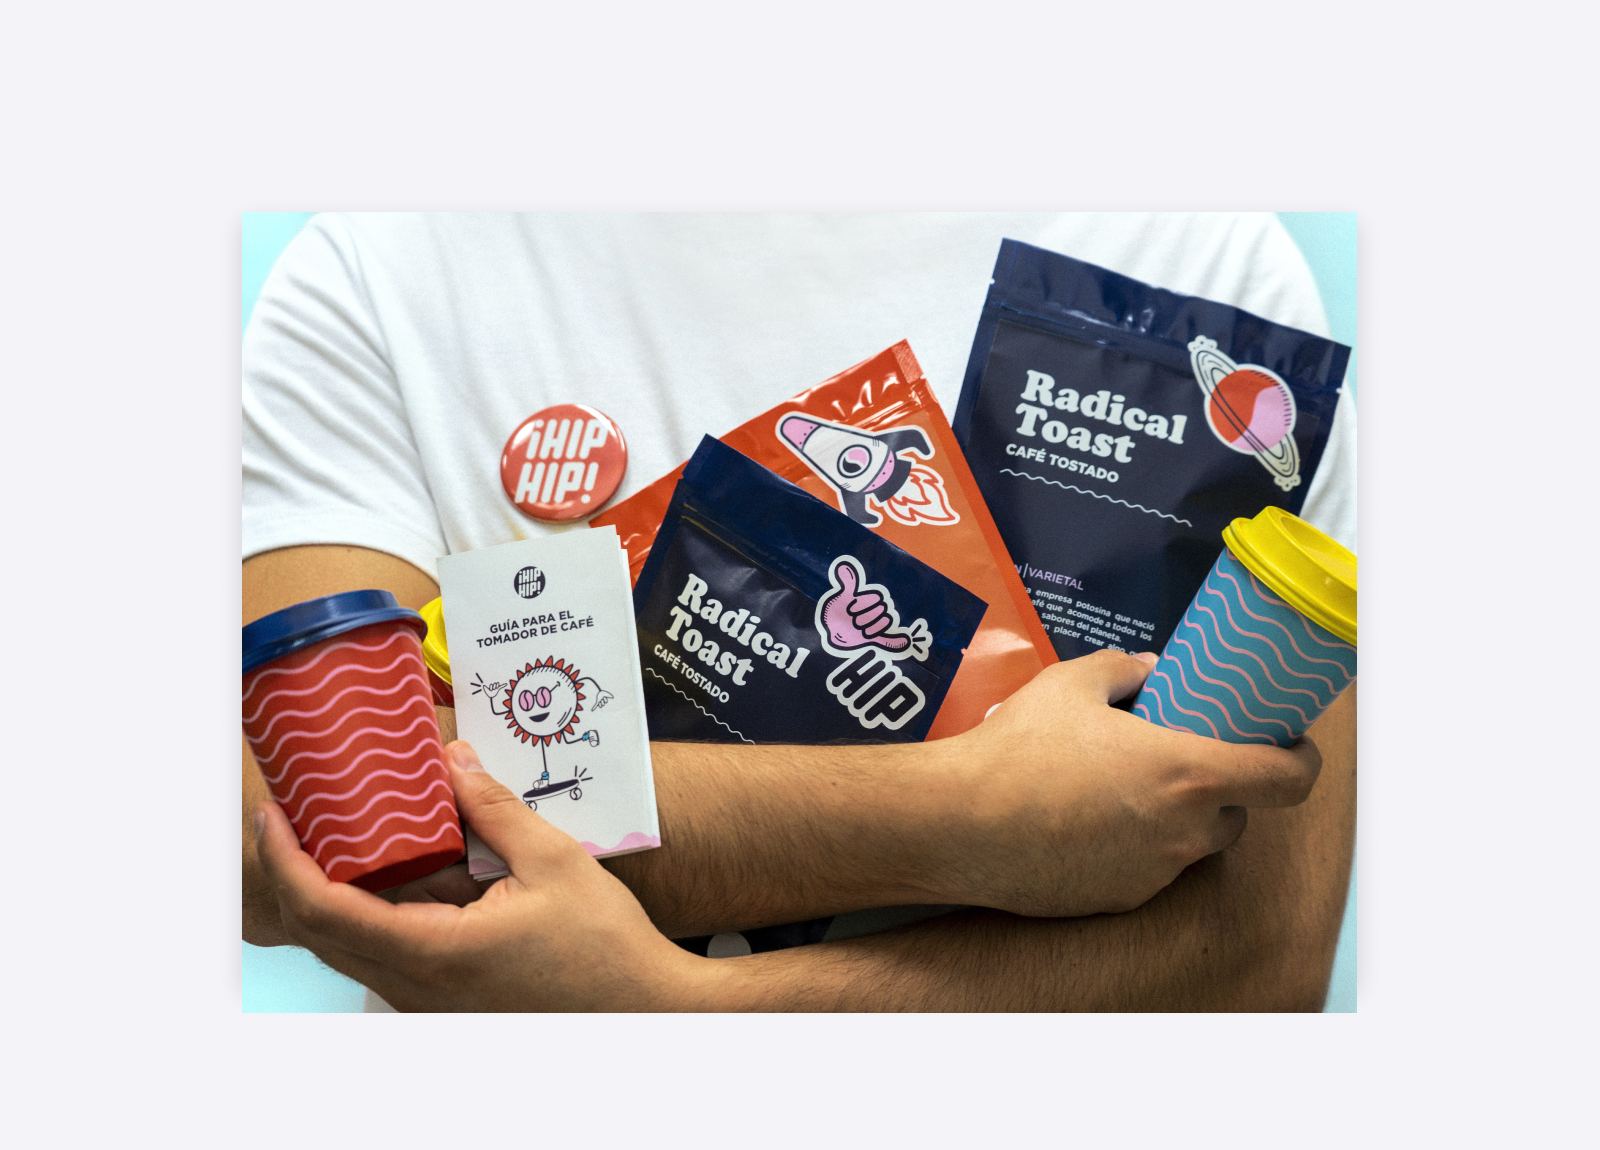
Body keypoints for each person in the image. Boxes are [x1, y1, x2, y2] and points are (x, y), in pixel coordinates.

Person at [244, 213, 1357, 1011]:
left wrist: (674, 1011)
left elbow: (1262, 954)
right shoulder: (375, 266)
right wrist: (968, 819)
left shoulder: (1196, 246)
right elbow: (327, 844)